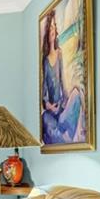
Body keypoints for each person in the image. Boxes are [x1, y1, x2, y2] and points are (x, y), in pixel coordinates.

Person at [40, 9, 86, 144]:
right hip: (50, 110)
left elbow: (62, 81)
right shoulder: (45, 60)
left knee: (77, 94)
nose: (53, 30)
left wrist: (65, 100)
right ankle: (62, 135)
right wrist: (49, 106)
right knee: (45, 121)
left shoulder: (59, 53)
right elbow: (44, 89)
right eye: (51, 27)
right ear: (47, 32)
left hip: (60, 107)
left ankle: (65, 133)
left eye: (55, 26)